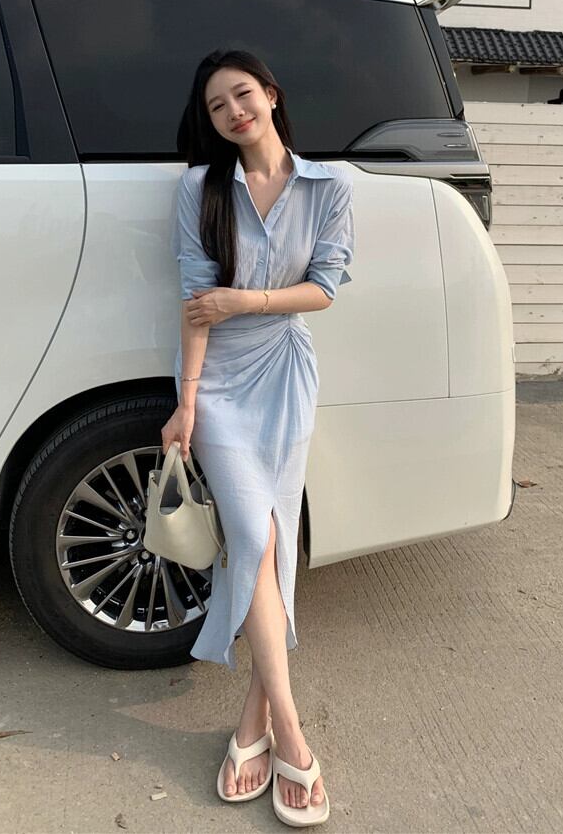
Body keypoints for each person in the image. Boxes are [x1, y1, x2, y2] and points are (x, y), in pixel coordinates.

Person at [159, 48, 355, 827]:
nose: (233, 112)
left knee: (271, 538)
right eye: (217, 106)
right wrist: (187, 403)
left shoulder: (328, 187)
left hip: (285, 376)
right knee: (252, 534)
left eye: (242, 95)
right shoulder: (198, 189)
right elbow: (194, 300)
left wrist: (245, 301)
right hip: (219, 386)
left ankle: (253, 722)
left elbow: (326, 288)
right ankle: (293, 737)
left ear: (271, 95)